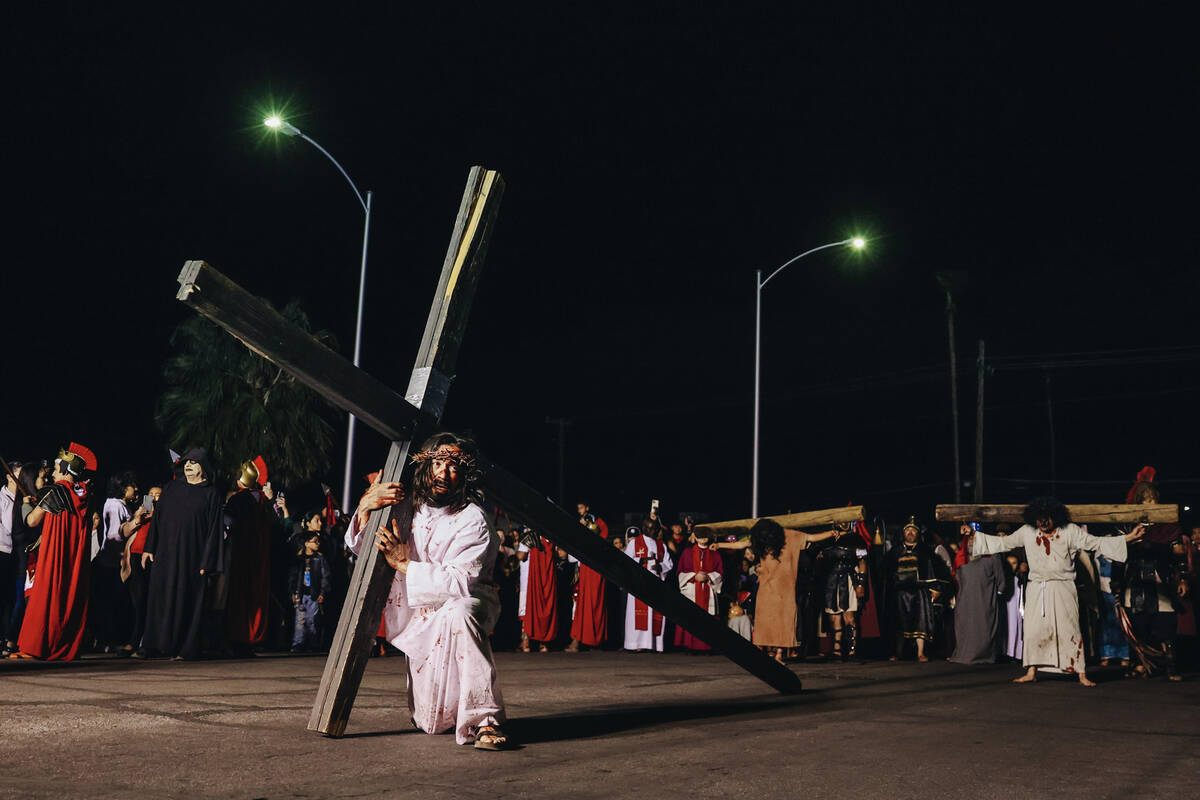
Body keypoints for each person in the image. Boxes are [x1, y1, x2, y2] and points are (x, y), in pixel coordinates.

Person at [350, 431, 509, 749]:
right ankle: (440, 713)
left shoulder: (473, 520)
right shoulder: (408, 508)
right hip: (418, 614)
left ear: (463, 476)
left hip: (465, 606)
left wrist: (405, 565)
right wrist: (365, 508)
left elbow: (459, 582)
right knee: (432, 723)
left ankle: (485, 721)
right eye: (438, 462)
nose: (443, 473)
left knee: (459, 610)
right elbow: (362, 548)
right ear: (425, 466)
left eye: (453, 467)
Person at [973, 497, 1142, 686]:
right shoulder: (1028, 532)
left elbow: (1095, 543)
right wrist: (974, 536)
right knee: (1033, 630)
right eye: (1039, 519)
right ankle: (1031, 670)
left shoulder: (1069, 531)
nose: (1043, 523)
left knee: (1069, 628)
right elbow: (1005, 543)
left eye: (1047, 518)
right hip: (1037, 588)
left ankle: (1080, 672)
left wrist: (1128, 538)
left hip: (1063, 587)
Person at [14, 444, 97, 660]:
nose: (52, 471)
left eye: (56, 466)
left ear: (65, 468)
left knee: (48, 593)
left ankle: (37, 645)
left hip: (54, 556)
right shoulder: (85, 494)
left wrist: (25, 505)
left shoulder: (56, 490)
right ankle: (63, 644)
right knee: (68, 596)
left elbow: (32, 521)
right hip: (74, 560)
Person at [141, 449, 225, 660]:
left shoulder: (211, 493)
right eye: (187, 462)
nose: (188, 465)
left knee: (187, 600)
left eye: (194, 463)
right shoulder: (170, 488)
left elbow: (215, 529)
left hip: (193, 557)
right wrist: (149, 547)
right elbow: (156, 519)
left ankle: (183, 648)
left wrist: (208, 560)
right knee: (161, 596)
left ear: (203, 468)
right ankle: (156, 644)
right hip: (166, 554)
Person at [719, 519, 834, 663]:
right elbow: (742, 544)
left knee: (783, 620)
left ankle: (779, 654)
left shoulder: (788, 536)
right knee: (768, 619)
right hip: (769, 587)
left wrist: (831, 532)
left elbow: (811, 537)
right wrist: (718, 544)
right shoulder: (764, 539)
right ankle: (771, 652)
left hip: (783, 588)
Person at [1111, 474, 1188, 680]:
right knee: (1137, 624)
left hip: (1159, 579)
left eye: (1152, 498)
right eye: (1145, 499)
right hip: (1134, 579)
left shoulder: (1168, 527)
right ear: (1138, 502)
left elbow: (1179, 554)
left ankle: (1171, 666)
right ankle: (1142, 665)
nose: (1150, 503)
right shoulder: (1128, 526)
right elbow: (1119, 557)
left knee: (1166, 623)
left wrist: (1182, 578)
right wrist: (1116, 582)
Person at [224, 456, 271, 656]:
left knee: (239, 595)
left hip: (240, 553)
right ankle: (253, 638)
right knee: (256, 595)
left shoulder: (236, 500)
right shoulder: (263, 500)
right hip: (260, 555)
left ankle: (238, 638)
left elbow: (227, 525)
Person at [949, 524, 1013, 664]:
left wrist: (995, 597)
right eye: (969, 537)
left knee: (983, 627)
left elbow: (1001, 580)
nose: (972, 540)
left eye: (974, 536)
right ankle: (963, 654)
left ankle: (984, 656)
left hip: (985, 599)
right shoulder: (961, 556)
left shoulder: (991, 554)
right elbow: (957, 579)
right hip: (965, 599)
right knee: (965, 625)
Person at [885, 518, 946, 662]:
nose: (910, 532)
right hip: (900, 593)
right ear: (903, 533)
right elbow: (886, 572)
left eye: (913, 530)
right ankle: (898, 652)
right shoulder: (895, 551)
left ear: (917, 533)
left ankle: (920, 653)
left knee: (921, 621)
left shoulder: (926, 551)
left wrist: (936, 589)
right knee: (899, 622)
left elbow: (935, 570)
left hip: (920, 592)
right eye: (907, 530)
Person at [821, 522, 869, 661]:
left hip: (848, 579)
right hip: (831, 581)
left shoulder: (857, 539)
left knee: (849, 617)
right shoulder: (827, 539)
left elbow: (863, 562)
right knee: (834, 618)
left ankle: (852, 651)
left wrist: (860, 584)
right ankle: (837, 651)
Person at [624, 522, 673, 652]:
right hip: (638, 585)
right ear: (644, 528)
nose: (652, 530)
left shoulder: (661, 545)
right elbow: (625, 562)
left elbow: (669, 564)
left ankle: (653, 644)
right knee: (638, 615)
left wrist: (661, 567)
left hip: (656, 583)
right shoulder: (634, 543)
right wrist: (641, 561)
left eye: (655, 528)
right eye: (649, 528)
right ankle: (636, 644)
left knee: (654, 613)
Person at [674, 525, 724, 651]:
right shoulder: (687, 552)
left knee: (708, 617)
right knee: (691, 616)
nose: (702, 540)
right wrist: (693, 576)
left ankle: (708, 646)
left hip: (708, 587)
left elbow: (720, 572)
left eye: (705, 537)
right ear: (695, 537)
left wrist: (709, 577)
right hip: (692, 589)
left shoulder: (715, 553)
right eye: (700, 537)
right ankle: (690, 646)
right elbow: (680, 571)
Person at [566, 513, 607, 652]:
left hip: (594, 577)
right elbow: (571, 559)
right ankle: (579, 641)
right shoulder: (581, 540)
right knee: (581, 608)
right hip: (584, 577)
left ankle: (593, 641)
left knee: (593, 607)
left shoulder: (598, 542)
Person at [289, 530, 332, 652]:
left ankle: (313, 643)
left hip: (314, 593)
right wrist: (293, 591)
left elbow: (325, 576)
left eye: (318, 541)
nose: (318, 543)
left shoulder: (320, 558)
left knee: (313, 619)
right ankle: (298, 643)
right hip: (301, 593)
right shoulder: (299, 558)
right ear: (307, 543)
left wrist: (323, 592)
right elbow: (293, 576)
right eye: (315, 541)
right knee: (300, 619)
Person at [522, 530, 559, 652]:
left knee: (546, 605)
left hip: (547, 577)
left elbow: (562, 555)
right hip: (532, 577)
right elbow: (521, 556)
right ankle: (529, 641)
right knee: (531, 608)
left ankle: (545, 642)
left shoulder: (552, 539)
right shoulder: (531, 537)